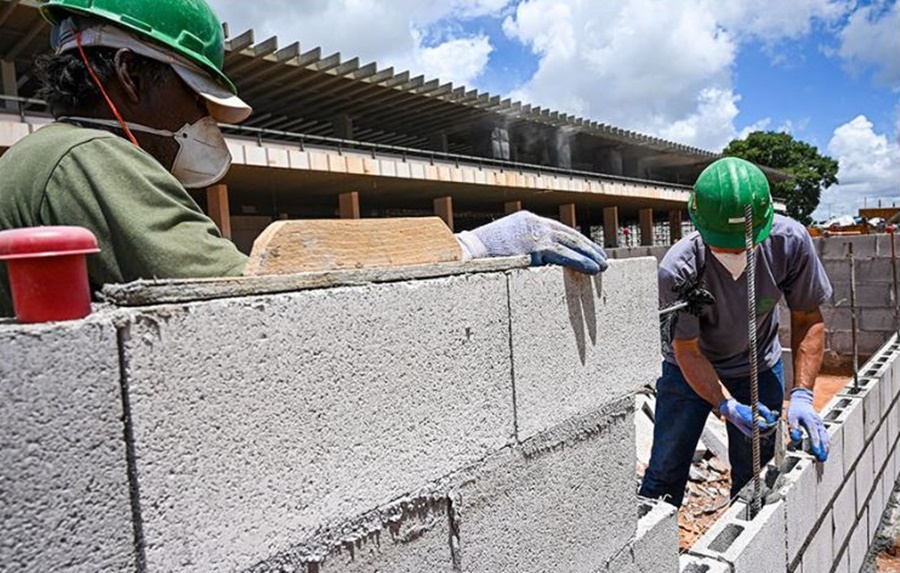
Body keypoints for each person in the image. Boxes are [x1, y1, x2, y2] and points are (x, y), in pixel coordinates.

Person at [0, 0, 608, 317]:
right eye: (196, 98)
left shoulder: (44, 157)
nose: (202, 123)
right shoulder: (92, 160)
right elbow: (258, 296)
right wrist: (470, 248)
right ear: (130, 74)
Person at [639, 157, 833, 507]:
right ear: (699, 225)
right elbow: (687, 350)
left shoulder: (789, 242)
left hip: (758, 366)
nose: (735, 254)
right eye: (724, 246)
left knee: (754, 477)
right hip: (688, 374)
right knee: (664, 474)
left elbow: (808, 319)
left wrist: (803, 394)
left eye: (743, 244)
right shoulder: (678, 269)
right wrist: (725, 404)